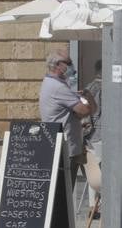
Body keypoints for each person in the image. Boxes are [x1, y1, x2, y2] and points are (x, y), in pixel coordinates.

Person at [38, 49, 95, 213]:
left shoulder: (53, 83)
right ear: (57, 65)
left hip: (62, 144)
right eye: (68, 63)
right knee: (63, 192)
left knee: (62, 192)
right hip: (65, 147)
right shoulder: (58, 87)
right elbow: (84, 110)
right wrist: (85, 103)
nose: (72, 66)